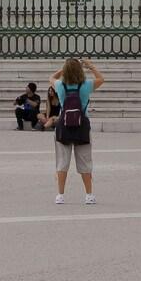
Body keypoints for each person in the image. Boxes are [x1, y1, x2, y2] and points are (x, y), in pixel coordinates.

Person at [48, 57, 104, 205]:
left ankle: (60, 194)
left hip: (64, 125)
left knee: (62, 161)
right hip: (82, 125)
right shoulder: (86, 85)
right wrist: (89, 65)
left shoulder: (60, 85)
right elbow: (101, 79)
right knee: (85, 161)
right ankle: (89, 194)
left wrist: (63, 68)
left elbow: (51, 78)